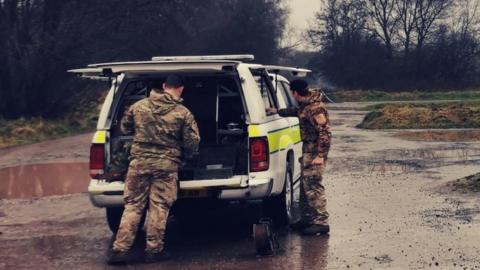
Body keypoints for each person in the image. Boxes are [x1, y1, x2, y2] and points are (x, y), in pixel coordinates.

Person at [108, 75, 200, 264]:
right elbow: (192, 142)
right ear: (180, 89)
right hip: (166, 166)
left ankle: (119, 251)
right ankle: (154, 251)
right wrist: (186, 154)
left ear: (164, 86)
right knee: (159, 207)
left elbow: (125, 128)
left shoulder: (139, 106)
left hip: (139, 164)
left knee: (133, 206)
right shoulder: (183, 113)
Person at [266, 79, 331, 235]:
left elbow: (325, 133)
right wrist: (277, 111)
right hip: (308, 150)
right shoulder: (306, 106)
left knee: (314, 185)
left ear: (295, 92)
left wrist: (320, 156)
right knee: (305, 185)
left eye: (291, 92)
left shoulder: (315, 108)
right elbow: (298, 112)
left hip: (315, 152)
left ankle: (321, 222)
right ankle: (308, 219)